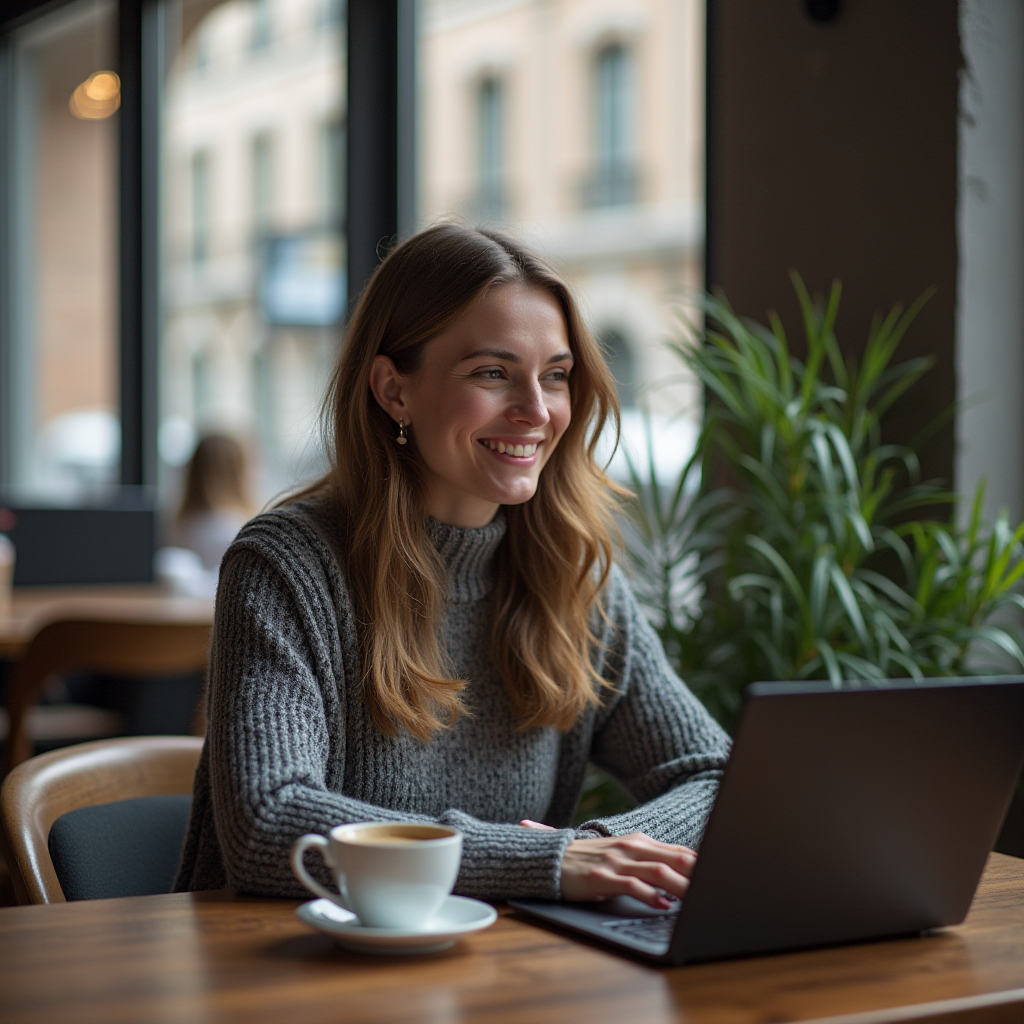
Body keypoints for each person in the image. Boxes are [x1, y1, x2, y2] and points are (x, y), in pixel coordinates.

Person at [174, 225, 730, 909]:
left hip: (496, 972)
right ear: (393, 390)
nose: (537, 410)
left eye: (555, 375)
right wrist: (549, 859)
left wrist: (609, 852)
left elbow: (716, 775)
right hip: (285, 971)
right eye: (492, 373)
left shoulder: (572, 576)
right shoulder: (288, 565)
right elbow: (270, 825)